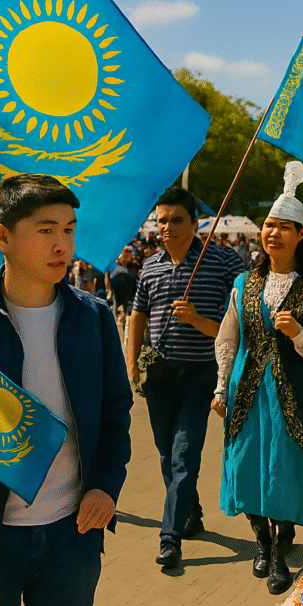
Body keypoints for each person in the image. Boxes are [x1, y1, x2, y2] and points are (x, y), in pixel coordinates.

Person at [0, 174, 133, 606]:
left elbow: (114, 413)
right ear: (1, 236)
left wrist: (105, 486)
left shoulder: (94, 318)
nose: (62, 244)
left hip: (72, 532)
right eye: (46, 230)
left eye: (69, 229)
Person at [211, 162, 303, 594]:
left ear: (301, 235)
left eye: (284, 227)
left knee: (284, 471)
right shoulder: (243, 281)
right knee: (247, 464)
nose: (273, 233)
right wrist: (219, 386)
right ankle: (261, 539)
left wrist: (300, 333)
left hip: (296, 394)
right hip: (247, 392)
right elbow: (227, 338)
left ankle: (278, 552)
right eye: (269, 225)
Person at [127, 187, 246, 569]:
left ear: (197, 223)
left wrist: (198, 321)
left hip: (200, 376)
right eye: (161, 220)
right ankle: (189, 510)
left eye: (176, 220)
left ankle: (170, 538)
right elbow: (137, 317)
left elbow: (241, 324)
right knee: (166, 454)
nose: (167, 227)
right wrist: (131, 363)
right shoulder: (151, 266)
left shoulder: (225, 263)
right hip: (159, 376)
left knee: (184, 453)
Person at [106, 246, 137, 345]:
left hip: (129, 298)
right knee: (117, 321)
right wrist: (109, 290)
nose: (127, 255)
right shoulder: (114, 266)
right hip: (116, 297)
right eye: (125, 252)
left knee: (126, 321)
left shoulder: (132, 267)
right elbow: (107, 276)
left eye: (129, 253)